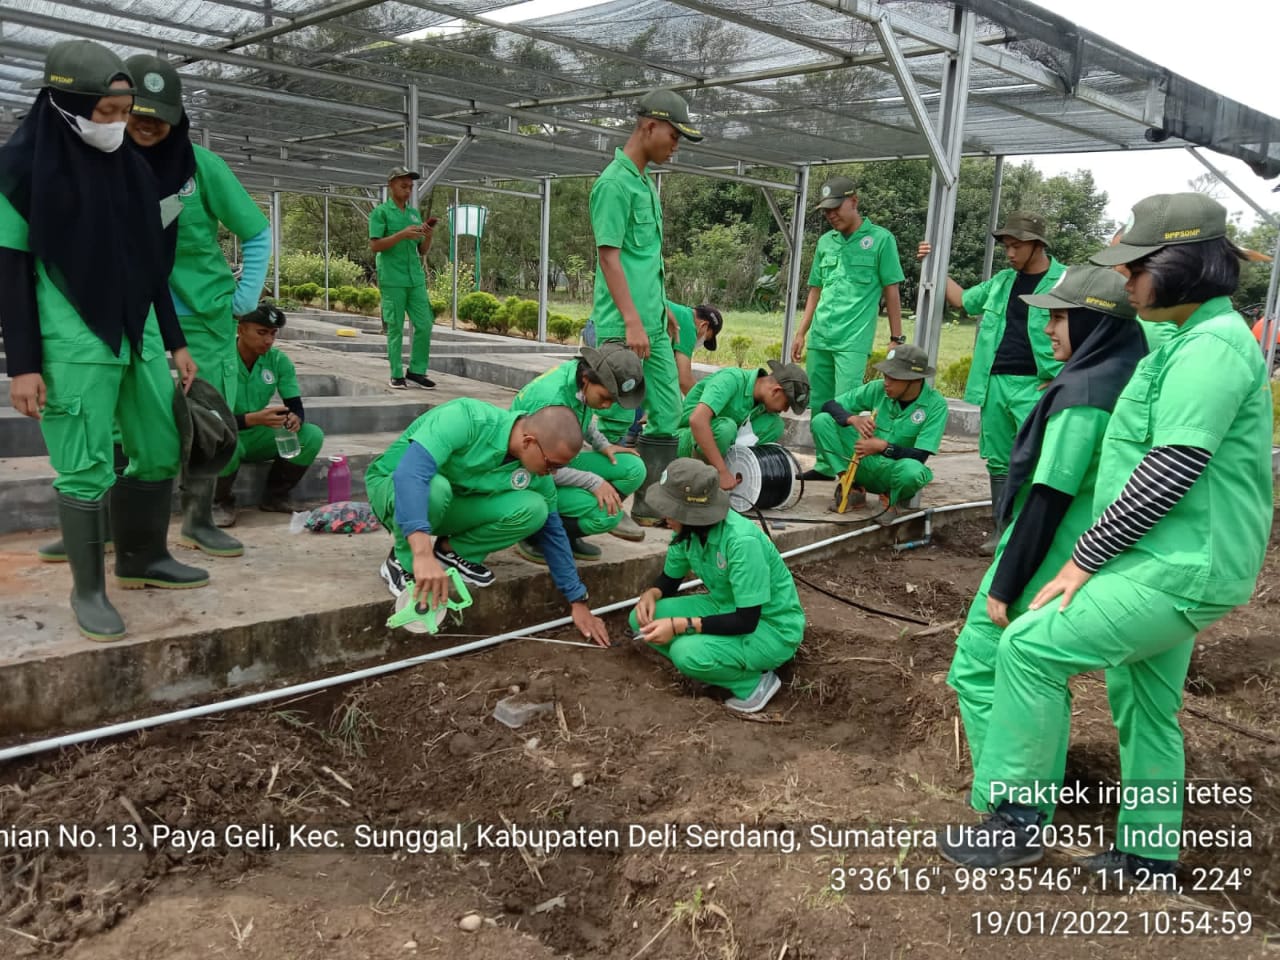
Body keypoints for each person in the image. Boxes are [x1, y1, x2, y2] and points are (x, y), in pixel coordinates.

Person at [940, 194, 1273, 881]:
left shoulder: (1210, 346)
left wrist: (1084, 559)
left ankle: (1017, 820)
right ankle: (1148, 854)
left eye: (1136, 267)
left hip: (1180, 564)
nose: (1125, 282)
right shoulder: (1182, 336)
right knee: (1145, 702)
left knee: (1029, 647)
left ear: (1179, 265)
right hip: (1174, 559)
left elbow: (1174, 464)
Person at [0, 40, 207, 641]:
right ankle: (88, 589)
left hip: (136, 333)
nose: (118, 126)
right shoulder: (17, 172)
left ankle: (145, 558)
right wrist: (24, 365)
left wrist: (175, 341)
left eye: (124, 112)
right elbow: (9, 274)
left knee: (159, 442)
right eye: (108, 113)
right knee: (84, 463)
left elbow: (149, 265)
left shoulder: (131, 168)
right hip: (72, 337)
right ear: (68, 104)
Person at [944, 266, 1147, 783]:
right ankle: (1034, 787)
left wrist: (1006, 580)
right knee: (1035, 672)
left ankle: (1008, 796)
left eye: (1059, 317)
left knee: (979, 667)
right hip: (1090, 547)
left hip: (1052, 551)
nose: (1048, 328)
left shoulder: (1084, 395)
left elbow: (1048, 497)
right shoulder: (1130, 374)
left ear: (1093, 323)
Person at [123, 54, 272, 559]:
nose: (146, 122)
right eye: (136, 110)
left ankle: (199, 520)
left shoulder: (201, 167)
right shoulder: (107, 167)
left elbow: (255, 232)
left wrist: (245, 297)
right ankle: (112, 526)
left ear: (176, 115)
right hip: (136, 317)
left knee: (208, 417)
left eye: (158, 113)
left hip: (203, 318)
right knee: (128, 417)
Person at [364, 400, 610, 645]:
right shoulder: (466, 418)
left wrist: (578, 600)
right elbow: (412, 473)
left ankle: (452, 552)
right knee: (435, 488)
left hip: (450, 503)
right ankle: (401, 561)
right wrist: (421, 553)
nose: (554, 473)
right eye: (553, 464)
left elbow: (553, 531)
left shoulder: (534, 470)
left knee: (537, 508)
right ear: (528, 442)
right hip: (396, 490)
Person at [918, 212, 1067, 555]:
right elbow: (962, 300)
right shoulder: (1002, 281)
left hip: (1038, 385)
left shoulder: (1064, 282)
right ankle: (1001, 530)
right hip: (996, 383)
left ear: (1037, 245)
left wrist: (1064, 379)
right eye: (1007, 247)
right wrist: (934, 263)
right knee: (999, 461)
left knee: (1037, 458)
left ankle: (1031, 534)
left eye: (1017, 246)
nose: (1010, 253)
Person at [591, 89, 703, 525]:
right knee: (618, 414)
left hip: (653, 323)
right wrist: (634, 320)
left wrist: (664, 311)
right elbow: (609, 256)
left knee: (668, 413)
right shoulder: (613, 184)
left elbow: (645, 262)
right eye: (674, 136)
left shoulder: (644, 184)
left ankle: (651, 503)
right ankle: (603, 501)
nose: (676, 146)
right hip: (624, 327)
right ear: (649, 126)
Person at [630, 458, 806, 713]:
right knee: (640, 620)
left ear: (691, 513)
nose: (664, 515)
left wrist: (681, 626)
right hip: (725, 606)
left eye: (670, 508)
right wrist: (651, 593)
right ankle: (717, 665)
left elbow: (747, 620)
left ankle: (753, 684)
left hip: (770, 629)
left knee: (684, 652)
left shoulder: (741, 542)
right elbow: (670, 580)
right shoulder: (687, 533)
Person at [791, 174, 906, 448]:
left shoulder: (881, 240)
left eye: (836, 208)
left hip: (852, 340)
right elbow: (816, 289)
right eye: (827, 211)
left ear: (853, 202)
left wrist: (896, 338)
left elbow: (892, 291)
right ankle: (826, 463)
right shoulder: (825, 242)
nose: (831, 215)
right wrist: (801, 332)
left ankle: (849, 471)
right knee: (819, 404)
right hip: (821, 337)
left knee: (846, 406)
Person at [509, 344, 648, 561]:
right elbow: (541, 466)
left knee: (633, 468)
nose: (607, 405)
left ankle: (569, 531)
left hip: (559, 462)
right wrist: (592, 482)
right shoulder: (550, 400)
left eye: (614, 401)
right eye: (605, 397)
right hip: (532, 474)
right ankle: (535, 535)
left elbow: (582, 418)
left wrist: (603, 444)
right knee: (606, 515)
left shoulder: (579, 379)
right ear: (587, 379)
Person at [807, 344, 949, 524]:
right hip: (862, 461)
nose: (886, 382)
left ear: (914, 380)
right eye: (885, 376)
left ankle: (890, 497)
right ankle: (850, 485)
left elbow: (920, 455)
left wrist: (883, 447)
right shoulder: (877, 389)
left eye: (893, 378)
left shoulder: (936, 405)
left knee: (913, 472)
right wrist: (853, 419)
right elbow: (829, 405)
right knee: (822, 421)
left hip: (892, 471)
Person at [214, 303, 325, 525]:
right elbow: (207, 418)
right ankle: (219, 502)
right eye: (261, 332)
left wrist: (295, 418)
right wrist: (250, 419)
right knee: (223, 440)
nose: (268, 340)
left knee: (311, 435)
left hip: (257, 434)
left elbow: (294, 404)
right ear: (241, 329)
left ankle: (275, 497)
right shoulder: (218, 358)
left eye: (273, 333)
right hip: (223, 432)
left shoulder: (277, 361)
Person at [677, 361, 810, 490]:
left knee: (775, 425)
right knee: (726, 428)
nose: (785, 410)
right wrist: (722, 471)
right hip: (685, 441)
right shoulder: (730, 379)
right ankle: (707, 476)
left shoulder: (762, 404)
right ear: (775, 391)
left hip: (720, 446)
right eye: (787, 404)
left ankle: (729, 472)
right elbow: (697, 420)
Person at [370, 166, 435, 390]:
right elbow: (375, 245)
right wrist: (401, 235)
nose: (407, 191)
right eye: (403, 186)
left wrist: (428, 235)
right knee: (395, 326)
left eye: (410, 187)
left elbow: (422, 250)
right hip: (392, 278)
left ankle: (417, 370)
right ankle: (396, 373)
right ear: (391, 185)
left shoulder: (413, 214)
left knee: (425, 324)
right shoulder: (381, 213)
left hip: (414, 278)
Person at [667, 299, 724, 395]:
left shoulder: (682, 314)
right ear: (704, 325)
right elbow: (684, 381)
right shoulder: (688, 324)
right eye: (706, 339)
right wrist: (706, 404)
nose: (701, 342)